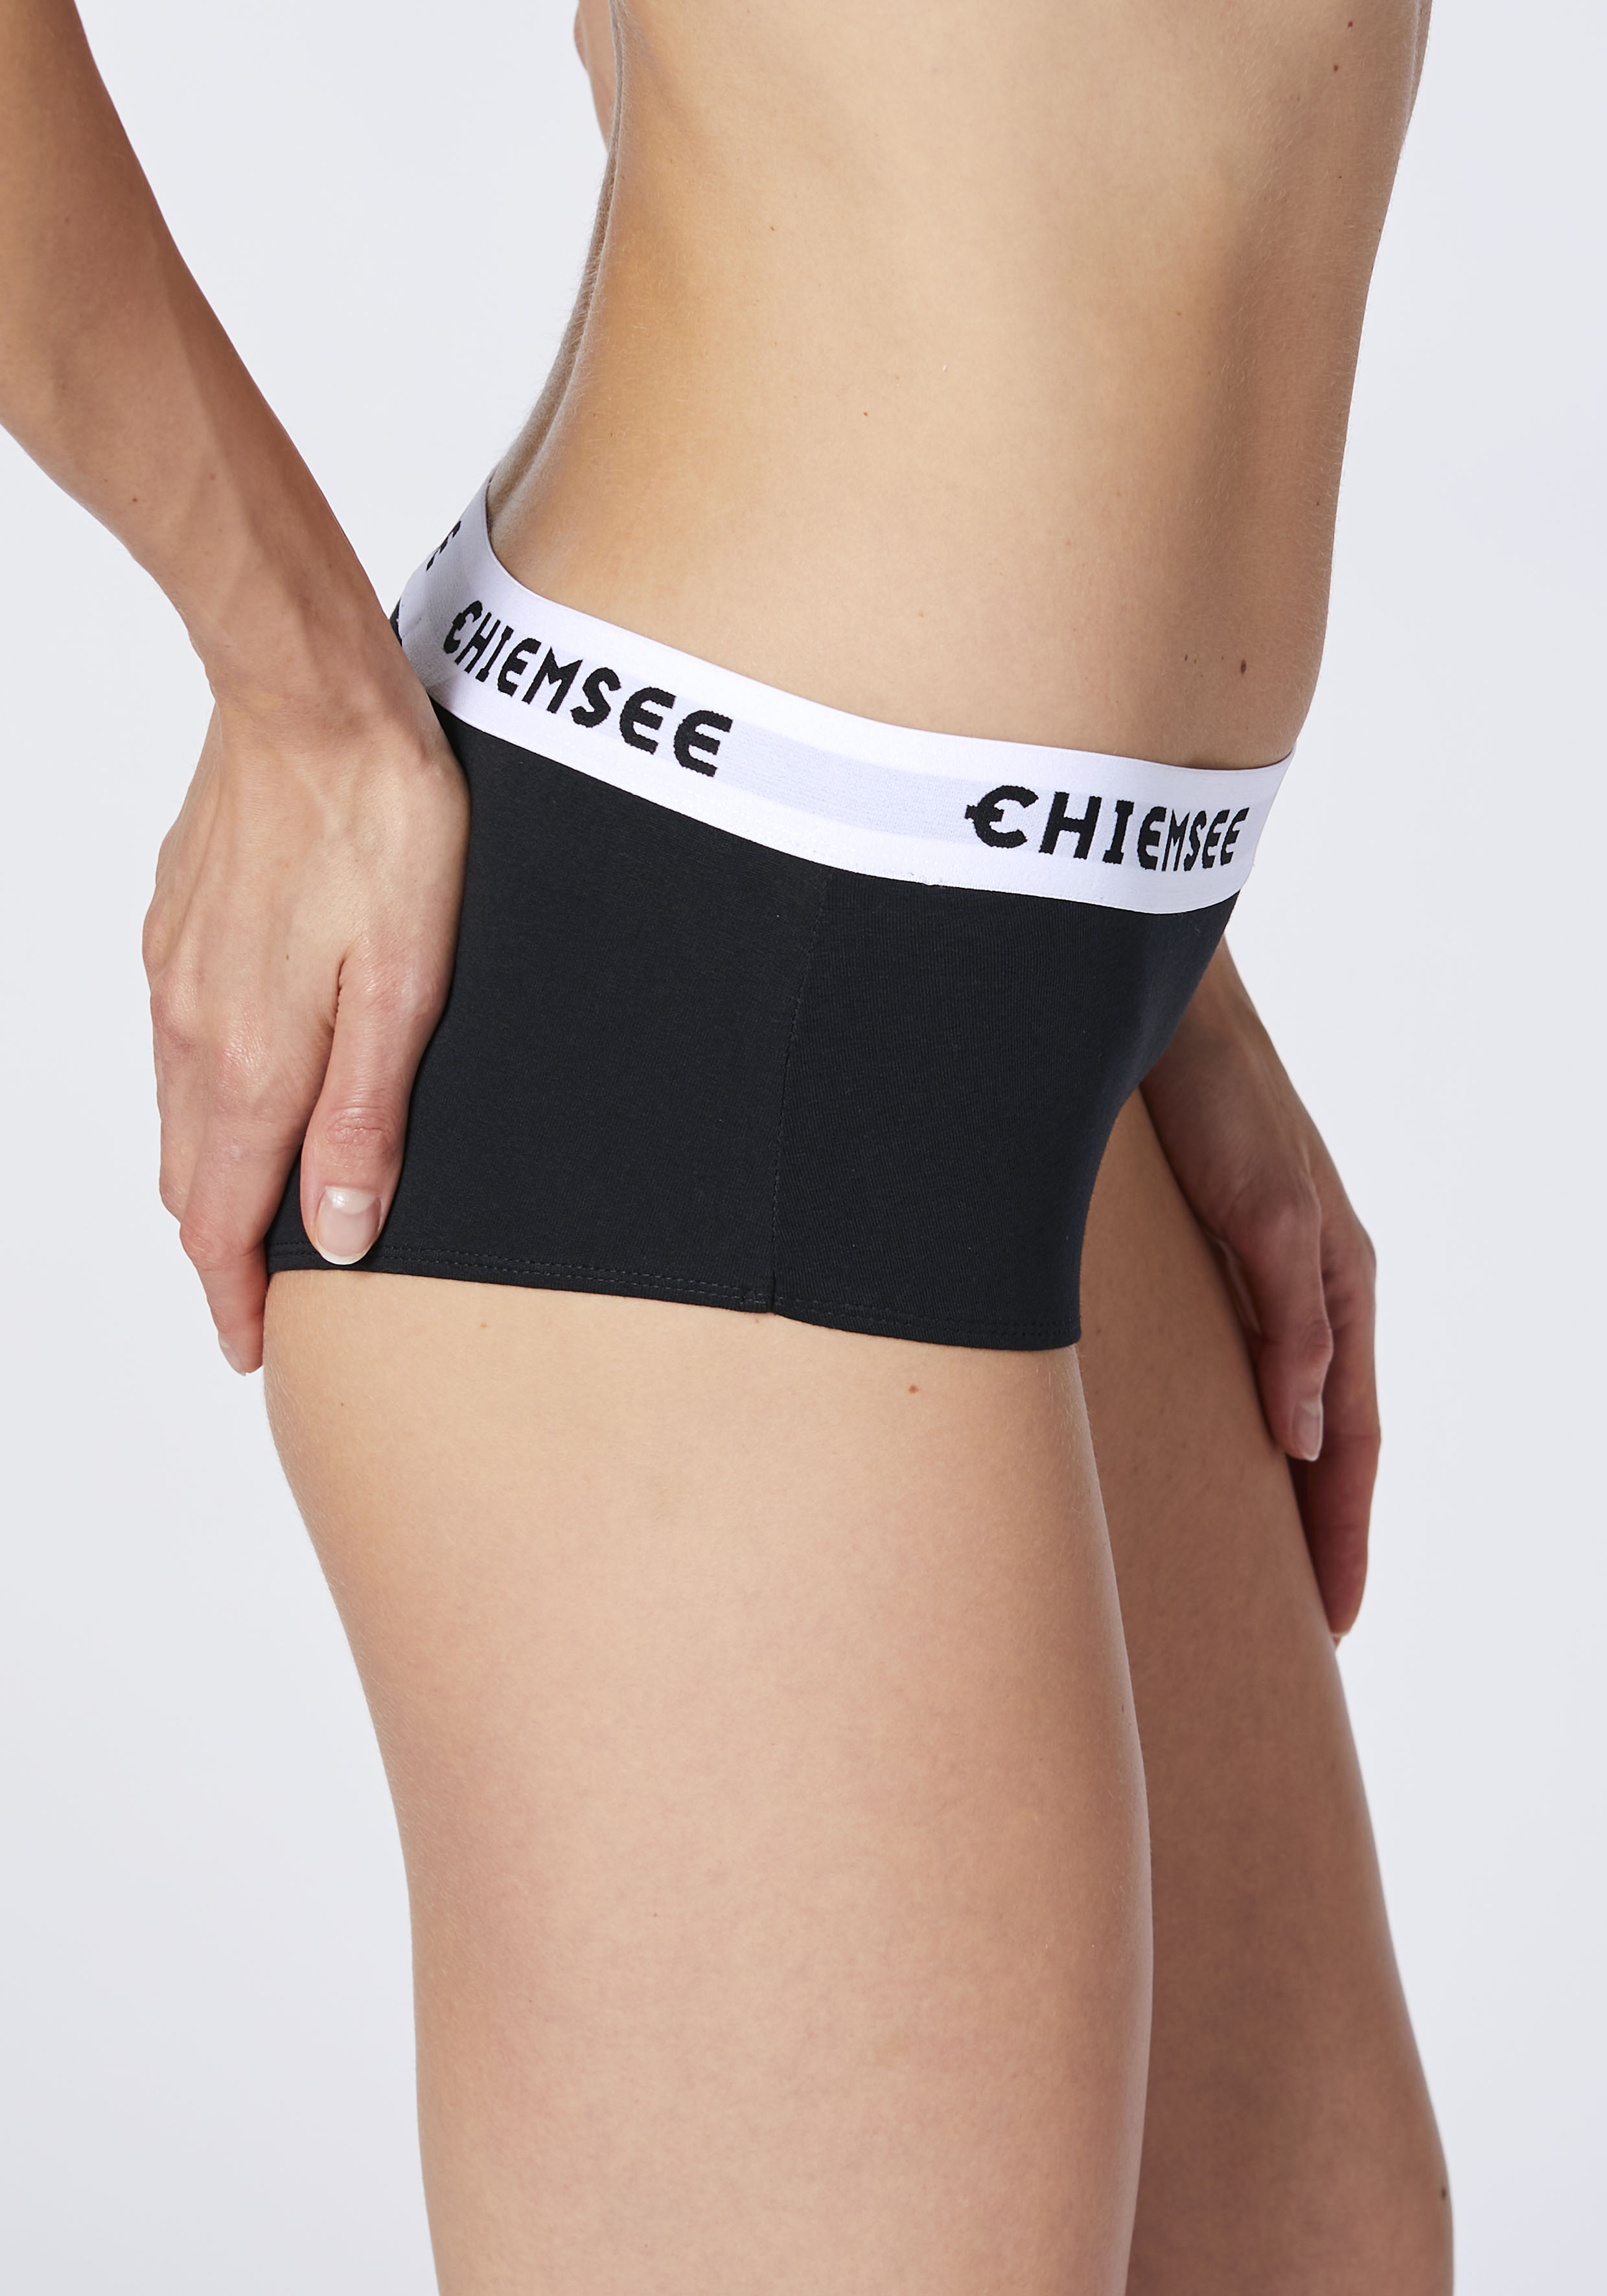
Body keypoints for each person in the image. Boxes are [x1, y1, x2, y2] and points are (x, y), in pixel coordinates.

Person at [0, 0, 1451, 2288]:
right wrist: (288, 683)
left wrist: (1166, 982)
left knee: (1317, 2243)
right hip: (704, 983)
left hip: (1044, 1000)